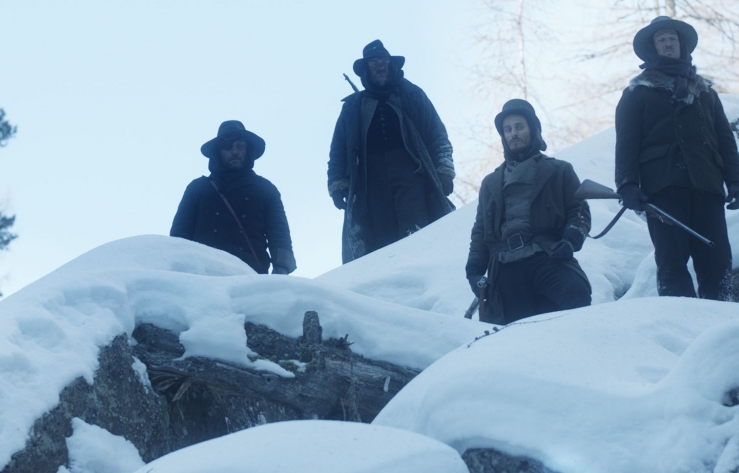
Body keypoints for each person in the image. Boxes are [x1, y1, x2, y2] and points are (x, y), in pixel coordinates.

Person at [614, 16, 739, 299]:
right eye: (661, 39)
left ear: (681, 45)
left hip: (708, 186)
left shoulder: (707, 93)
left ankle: (723, 315)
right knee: (671, 262)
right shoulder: (637, 93)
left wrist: (736, 182)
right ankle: (680, 316)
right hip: (663, 189)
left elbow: (725, 140)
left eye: (672, 38)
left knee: (717, 259)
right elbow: (626, 143)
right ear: (653, 48)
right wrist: (627, 184)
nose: (667, 43)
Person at [465, 99, 592, 325]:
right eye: (507, 129)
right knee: (515, 332)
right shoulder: (490, 183)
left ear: (532, 129)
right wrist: (474, 271)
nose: (513, 133)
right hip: (505, 266)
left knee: (576, 295)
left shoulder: (559, 170)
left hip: (547, 256)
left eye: (519, 127)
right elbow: (480, 231)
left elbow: (579, 211)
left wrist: (570, 241)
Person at [327, 39, 455, 262]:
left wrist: (444, 170)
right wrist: (337, 184)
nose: (380, 67)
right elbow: (338, 150)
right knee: (379, 243)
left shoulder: (412, 95)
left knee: (417, 232)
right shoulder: (352, 107)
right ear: (366, 69)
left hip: (411, 176)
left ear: (391, 65)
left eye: (384, 61)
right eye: (374, 63)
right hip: (370, 184)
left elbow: (436, 134)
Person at [171, 120, 296, 275]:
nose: (235, 151)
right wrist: (177, 269)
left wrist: (282, 268)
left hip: (250, 276)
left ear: (248, 150)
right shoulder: (197, 188)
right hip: (202, 276)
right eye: (228, 146)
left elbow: (279, 233)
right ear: (217, 152)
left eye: (240, 146)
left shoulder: (266, 189)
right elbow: (178, 236)